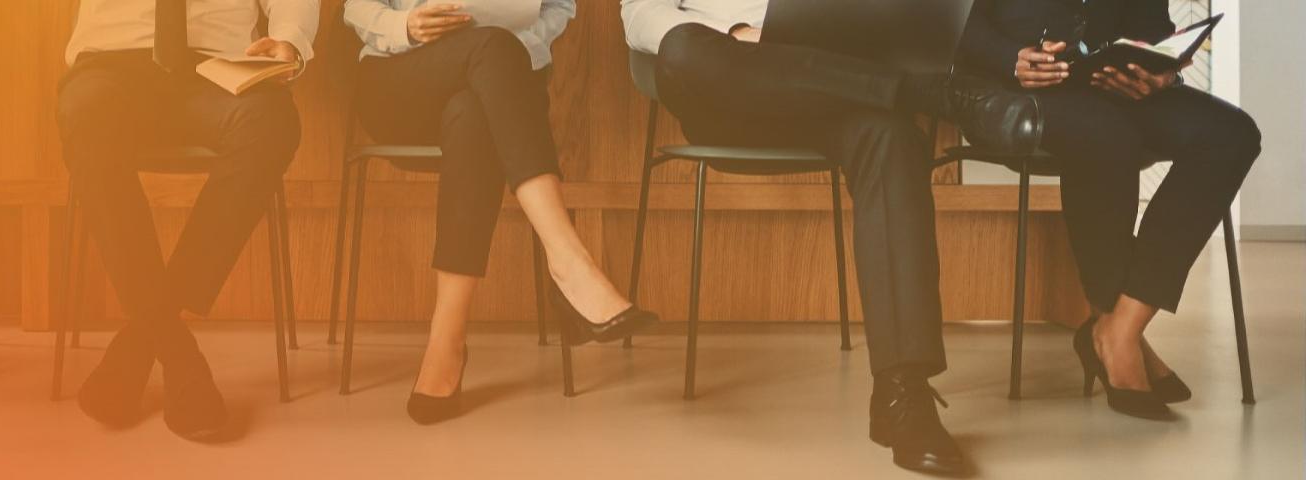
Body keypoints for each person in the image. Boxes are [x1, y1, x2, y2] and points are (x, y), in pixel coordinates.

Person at [622, 0, 1045, 474]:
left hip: (828, 92)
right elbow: (637, 14)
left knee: (892, 138)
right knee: (683, 49)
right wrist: (736, 33)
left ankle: (902, 396)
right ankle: (932, 95)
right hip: (727, 86)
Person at [343, 0, 661, 425]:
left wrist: (522, 43)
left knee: (475, 106)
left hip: (495, 81)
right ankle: (570, 266)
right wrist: (406, 25)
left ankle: (446, 340)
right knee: (494, 49)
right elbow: (355, 6)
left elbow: (559, 7)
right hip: (398, 77)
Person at [961, 0, 1262, 420]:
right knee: (1104, 133)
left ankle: (1121, 326)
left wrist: (1161, 70)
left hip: (1110, 85)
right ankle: (1115, 334)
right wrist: (1007, 57)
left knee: (1231, 134)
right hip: (1007, 84)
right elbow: (944, 16)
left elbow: (1151, 23)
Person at [58, 0, 317, 441]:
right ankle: (179, 355)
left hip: (220, 67)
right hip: (111, 64)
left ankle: (142, 339)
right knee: (84, 113)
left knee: (272, 121)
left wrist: (289, 40)